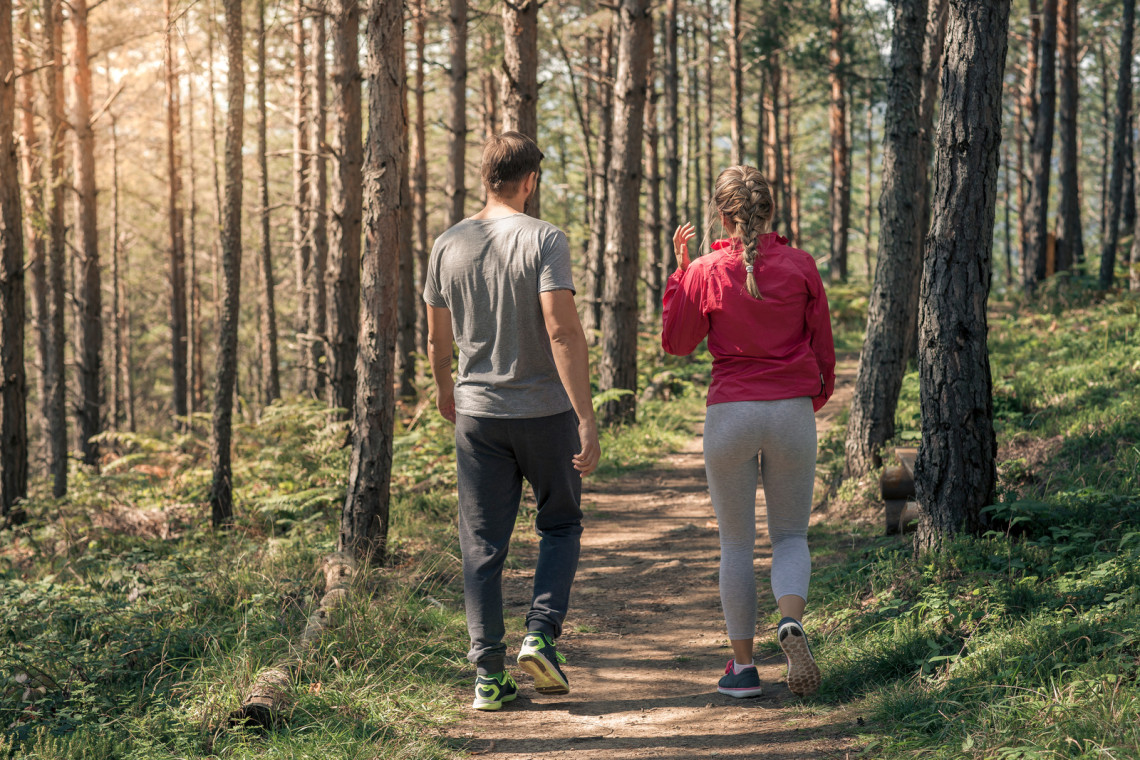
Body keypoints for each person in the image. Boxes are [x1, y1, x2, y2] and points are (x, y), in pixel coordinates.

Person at [423, 131, 601, 712]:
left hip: (477, 416)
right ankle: (541, 636)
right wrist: (586, 415)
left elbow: (435, 337)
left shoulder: (447, 244)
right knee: (560, 523)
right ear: (529, 181)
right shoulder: (546, 239)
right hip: (545, 412)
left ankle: (488, 678)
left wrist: (448, 390)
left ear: (485, 177)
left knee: (481, 544)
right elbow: (561, 330)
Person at [661, 165, 835, 698]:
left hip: (731, 413)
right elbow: (822, 347)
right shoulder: (802, 265)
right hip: (789, 413)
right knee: (790, 535)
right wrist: (811, 400)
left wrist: (681, 273)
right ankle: (790, 623)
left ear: (722, 214)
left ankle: (742, 670)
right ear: (770, 210)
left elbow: (677, 342)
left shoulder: (708, 269)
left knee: (735, 542)